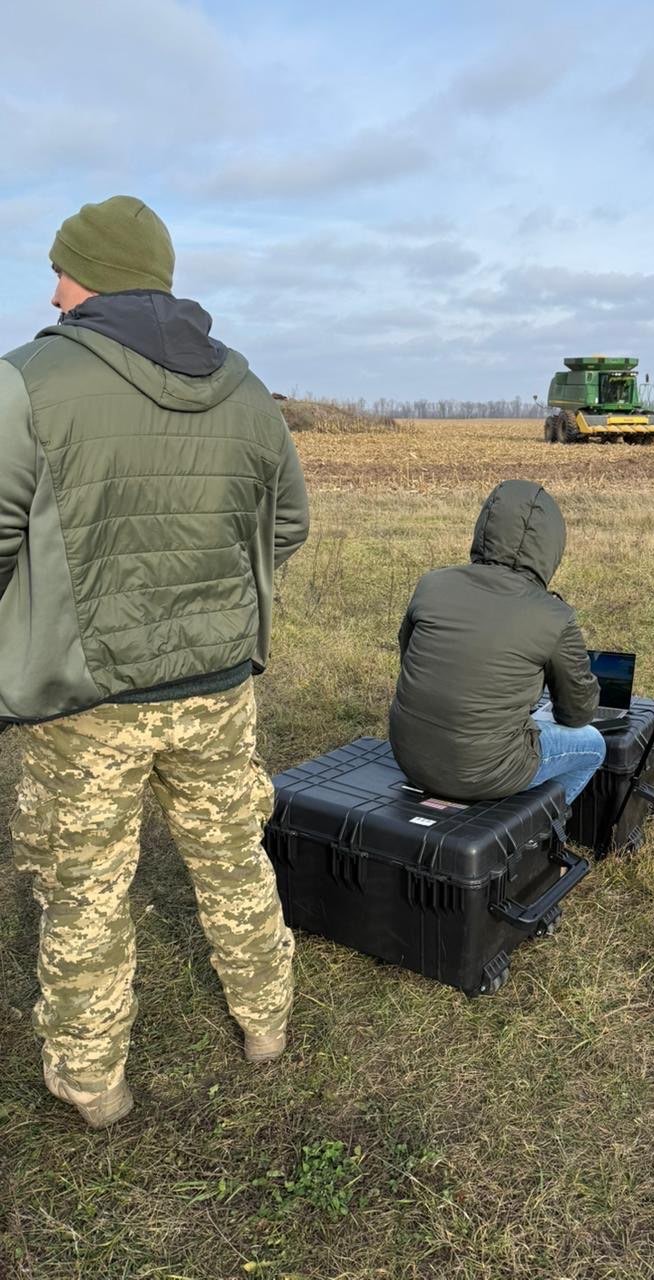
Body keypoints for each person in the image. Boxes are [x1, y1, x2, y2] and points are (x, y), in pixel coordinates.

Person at [0, 196, 310, 1128]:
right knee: (231, 856)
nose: (51, 292)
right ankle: (267, 1022)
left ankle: (93, 1084)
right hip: (217, 690)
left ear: (89, 274)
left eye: (60, 270)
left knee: (86, 886)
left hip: (85, 705)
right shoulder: (247, 388)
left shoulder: (28, 383)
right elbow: (285, 523)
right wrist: (220, 602)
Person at [389, 479, 605, 806]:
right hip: (484, 770)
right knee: (593, 745)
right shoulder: (554, 616)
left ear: (485, 527)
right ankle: (545, 836)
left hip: (409, 755)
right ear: (551, 545)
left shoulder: (431, 584)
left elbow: (410, 661)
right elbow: (577, 714)